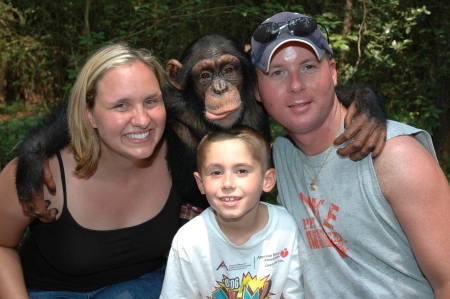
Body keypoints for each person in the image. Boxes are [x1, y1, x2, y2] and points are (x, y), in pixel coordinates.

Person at [251, 11, 450, 298]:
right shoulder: (279, 158)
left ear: (332, 72)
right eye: (277, 72)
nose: (295, 85)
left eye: (308, 67)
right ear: (257, 90)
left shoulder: (394, 154)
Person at [0, 43, 181, 298]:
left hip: (145, 285)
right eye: (121, 105)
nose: (142, 119)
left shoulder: (183, 156)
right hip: (51, 290)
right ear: (90, 115)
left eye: (151, 101)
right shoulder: (43, 172)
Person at [160, 126, 303, 298]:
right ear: (201, 183)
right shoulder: (189, 240)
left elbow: (295, 293)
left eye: (241, 171)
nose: (227, 183)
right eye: (216, 172)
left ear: (267, 180)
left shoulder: (285, 228)